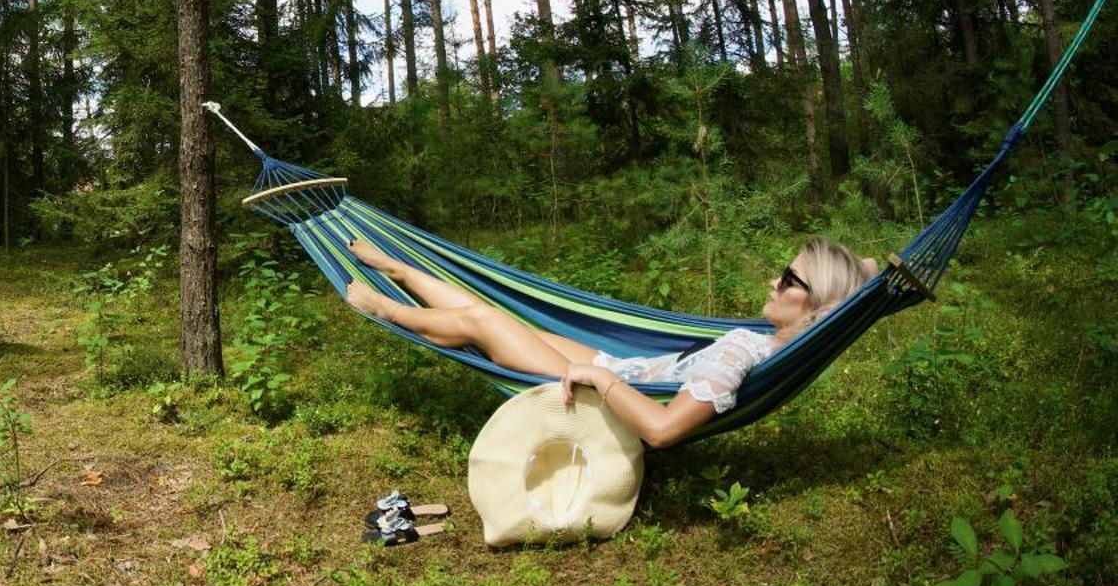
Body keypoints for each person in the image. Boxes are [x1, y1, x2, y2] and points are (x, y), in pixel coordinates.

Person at [342, 237, 876, 448]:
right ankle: (400, 269)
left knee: (483, 323)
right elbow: (866, 274)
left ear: (814, 302)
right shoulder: (770, 342)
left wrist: (601, 378)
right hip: (627, 367)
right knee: (498, 317)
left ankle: (389, 308)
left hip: (609, 390)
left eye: (787, 279)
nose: (773, 282)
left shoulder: (742, 353)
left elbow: (664, 431)